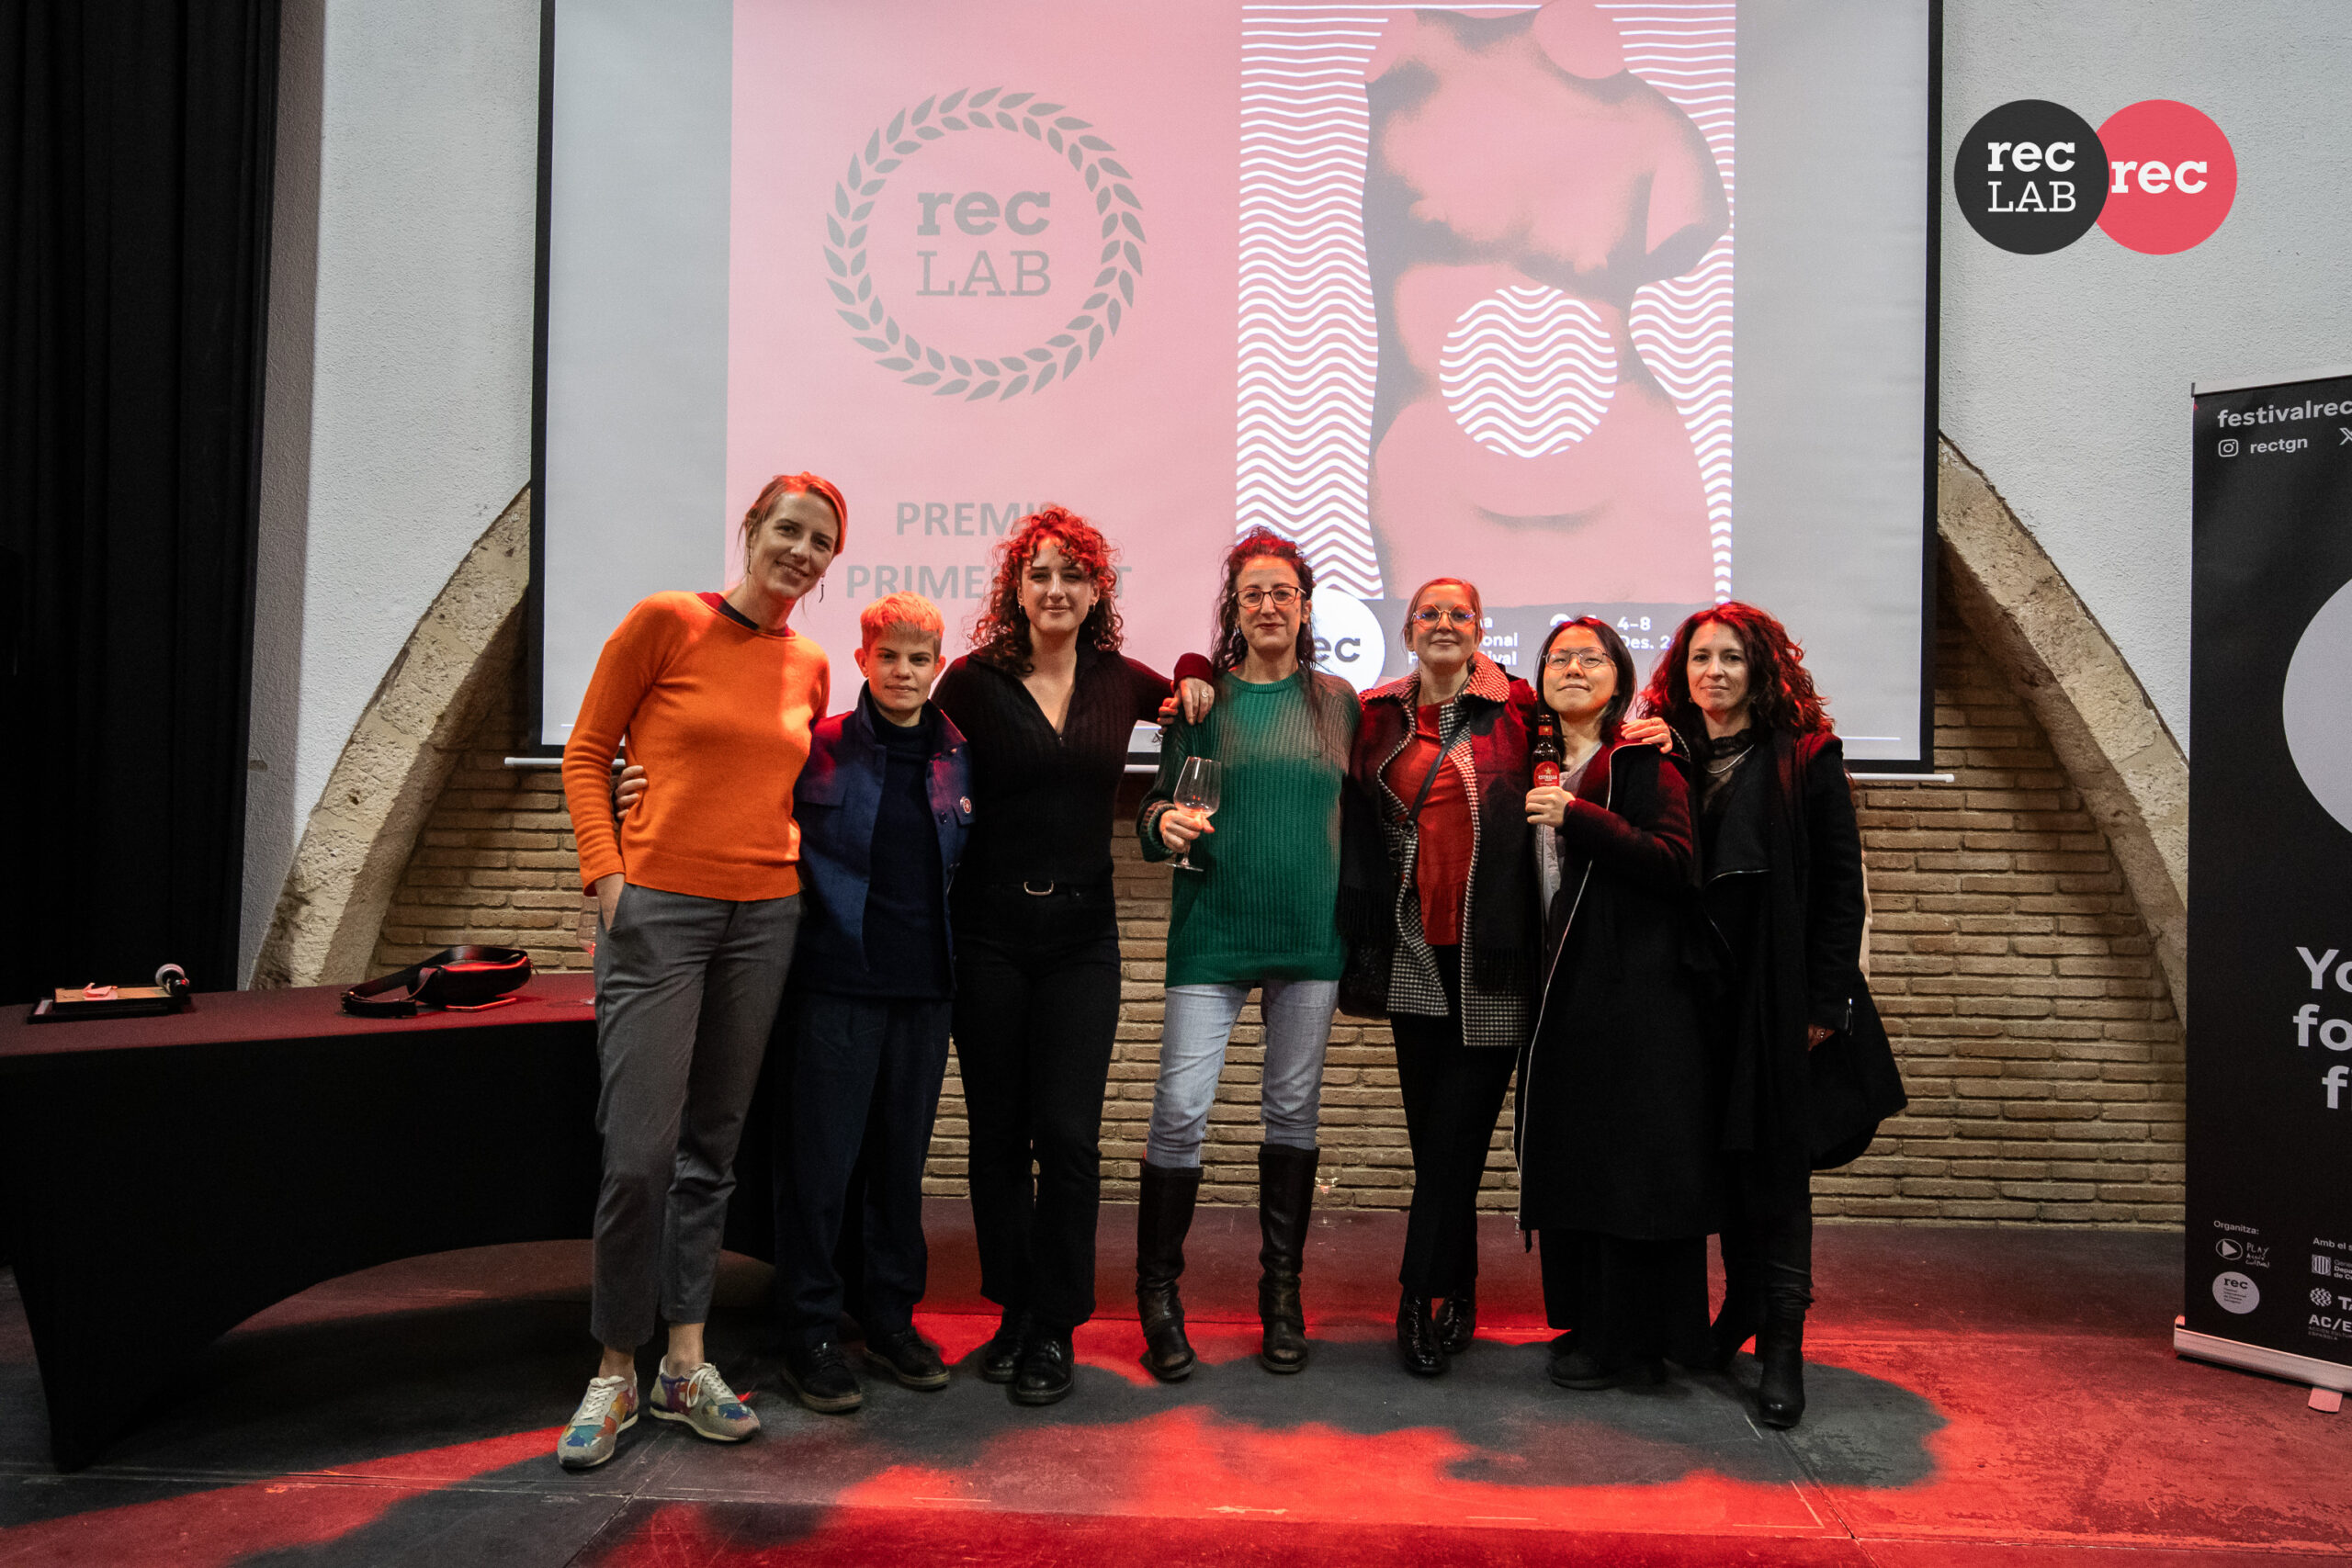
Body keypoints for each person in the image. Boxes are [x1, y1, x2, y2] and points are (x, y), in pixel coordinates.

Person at [553, 471, 842, 1469]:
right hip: (657, 912)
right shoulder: (666, 621)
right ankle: (613, 1370)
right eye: (789, 530)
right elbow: (587, 752)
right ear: (752, 528)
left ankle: (683, 1363)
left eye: (820, 543)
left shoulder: (811, 665)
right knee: (636, 1156)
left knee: (710, 1154)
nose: (801, 552)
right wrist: (608, 878)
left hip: (766, 915)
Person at [931, 505, 1213, 1407]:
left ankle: (1056, 1324)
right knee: (996, 1135)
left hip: (1084, 937)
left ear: (1097, 591)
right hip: (987, 932)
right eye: (1040, 574)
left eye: (1074, 574)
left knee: (1068, 1136)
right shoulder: (970, 682)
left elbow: (1195, 677)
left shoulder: (1117, 679)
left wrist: (1196, 669)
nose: (1056, 589)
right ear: (1015, 589)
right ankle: (1014, 1311)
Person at [1641, 603, 1905, 1428]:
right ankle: (1742, 1306)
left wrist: (1824, 1001)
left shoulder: (1807, 757)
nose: (1714, 672)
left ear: (1761, 668)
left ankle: (1783, 1344)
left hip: (1776, 995)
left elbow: (1840, 891)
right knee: (1720, 1163)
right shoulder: (1669, 754)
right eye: (1700, 658)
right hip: (1692, 996)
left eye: (1731, 657)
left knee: (1778, 1173)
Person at [1135, 529, 1361, 1381]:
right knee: (1179, 1112)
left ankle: (1282, 1297)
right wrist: (1162, 824)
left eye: (1283, 592)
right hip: (1212, 933)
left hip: (1309, 937)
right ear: (1233, 608)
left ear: (1305, 607)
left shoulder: (1340, 703)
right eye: (1252, 593)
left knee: (1293, 1113)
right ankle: (1159, 1297)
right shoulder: (1198, 704)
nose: (1268, 606)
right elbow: (1155, 814)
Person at [759, 592, 968, 1413]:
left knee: (898, 1169)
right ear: (862, 660)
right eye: (889, 656)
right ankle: (809, 1331)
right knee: (820, 1169)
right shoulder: (817, 748)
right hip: (836, 987)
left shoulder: (960, 755)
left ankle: (889, 1318)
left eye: (919, 659)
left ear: (938, 666)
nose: (903, 671)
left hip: (924, 992)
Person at [1339, 577, 1540, 1378]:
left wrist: (1652, 730)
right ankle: (1460, 1285)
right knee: (1435, 1138)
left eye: (1461, 613)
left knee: (1458, 1133)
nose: (1446, 623)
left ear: (1481, 627)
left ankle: (1417, 1295)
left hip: (1494, 952)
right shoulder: (1374, 711)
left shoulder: (1521, 708)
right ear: (1408, 629)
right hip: (1411, 946)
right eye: (1431, 613)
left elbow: (1592, 738)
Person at [1514, 616, 1715, 1390]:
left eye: (1590, 657)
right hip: (1562, 995)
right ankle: (1589, 1322)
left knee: (1629, 1174)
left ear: (1620, 678)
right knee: (1577, 1165)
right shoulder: (1532, 763)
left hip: (1635, 998)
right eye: (1558, 657)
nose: (1572, 667)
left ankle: (1632, 1344)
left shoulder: (1642, 759)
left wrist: (1578, 815)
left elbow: (1675, 860)